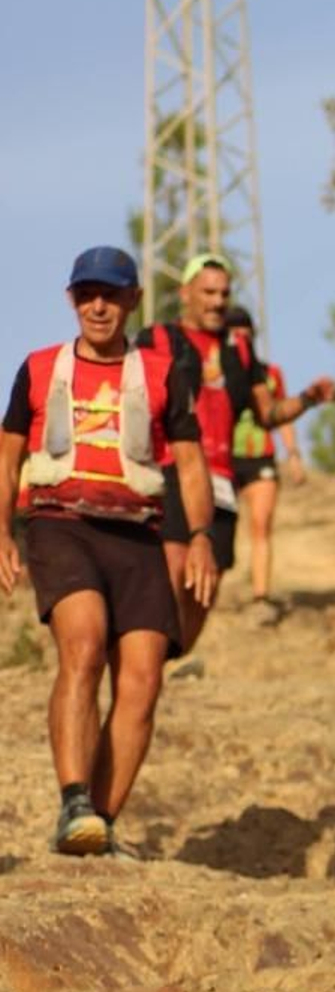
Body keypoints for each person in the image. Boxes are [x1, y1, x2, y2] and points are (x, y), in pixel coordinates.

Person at [0, 245, 216, 854]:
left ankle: (99, 823)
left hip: (139, 533)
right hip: (59, 523)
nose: (100, 306)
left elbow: (192, 463)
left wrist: (199, 536)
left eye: (113, 294)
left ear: (133, 301)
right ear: (72, 300)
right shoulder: (39, 368)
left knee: (144, 679)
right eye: (88, 294)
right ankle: (73, 799)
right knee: (85, 641)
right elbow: (9, 453)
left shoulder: (160, 371)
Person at [137, 252, 271, 650]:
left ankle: (164, 660)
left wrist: (311, 399)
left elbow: (269, 413)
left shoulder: (240, 351)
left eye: (224, 293)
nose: (217, 302)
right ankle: (145, 659)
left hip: (222, 481)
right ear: (186, 294)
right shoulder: (158, 339)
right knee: (175, 569)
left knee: (204, 591)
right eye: (208, 292)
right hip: (172, 467)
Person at [225, 302, 335, 611]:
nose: (240, 342)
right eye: (234, 335)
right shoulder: (211, 371)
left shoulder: (270, 374)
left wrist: (294, 456)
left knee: (261, 524)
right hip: (222, 460)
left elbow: (279, 415)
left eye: (245, 335)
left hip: (260, 457)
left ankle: (260, 597)